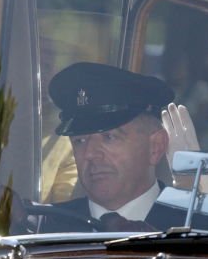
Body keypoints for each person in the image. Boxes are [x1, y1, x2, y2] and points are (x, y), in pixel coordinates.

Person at [42, 62, 186, 232]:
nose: (90, 154)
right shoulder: (44, 229)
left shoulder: (198, 231)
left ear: (155, 147)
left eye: (109, 137)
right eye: (80, 141)